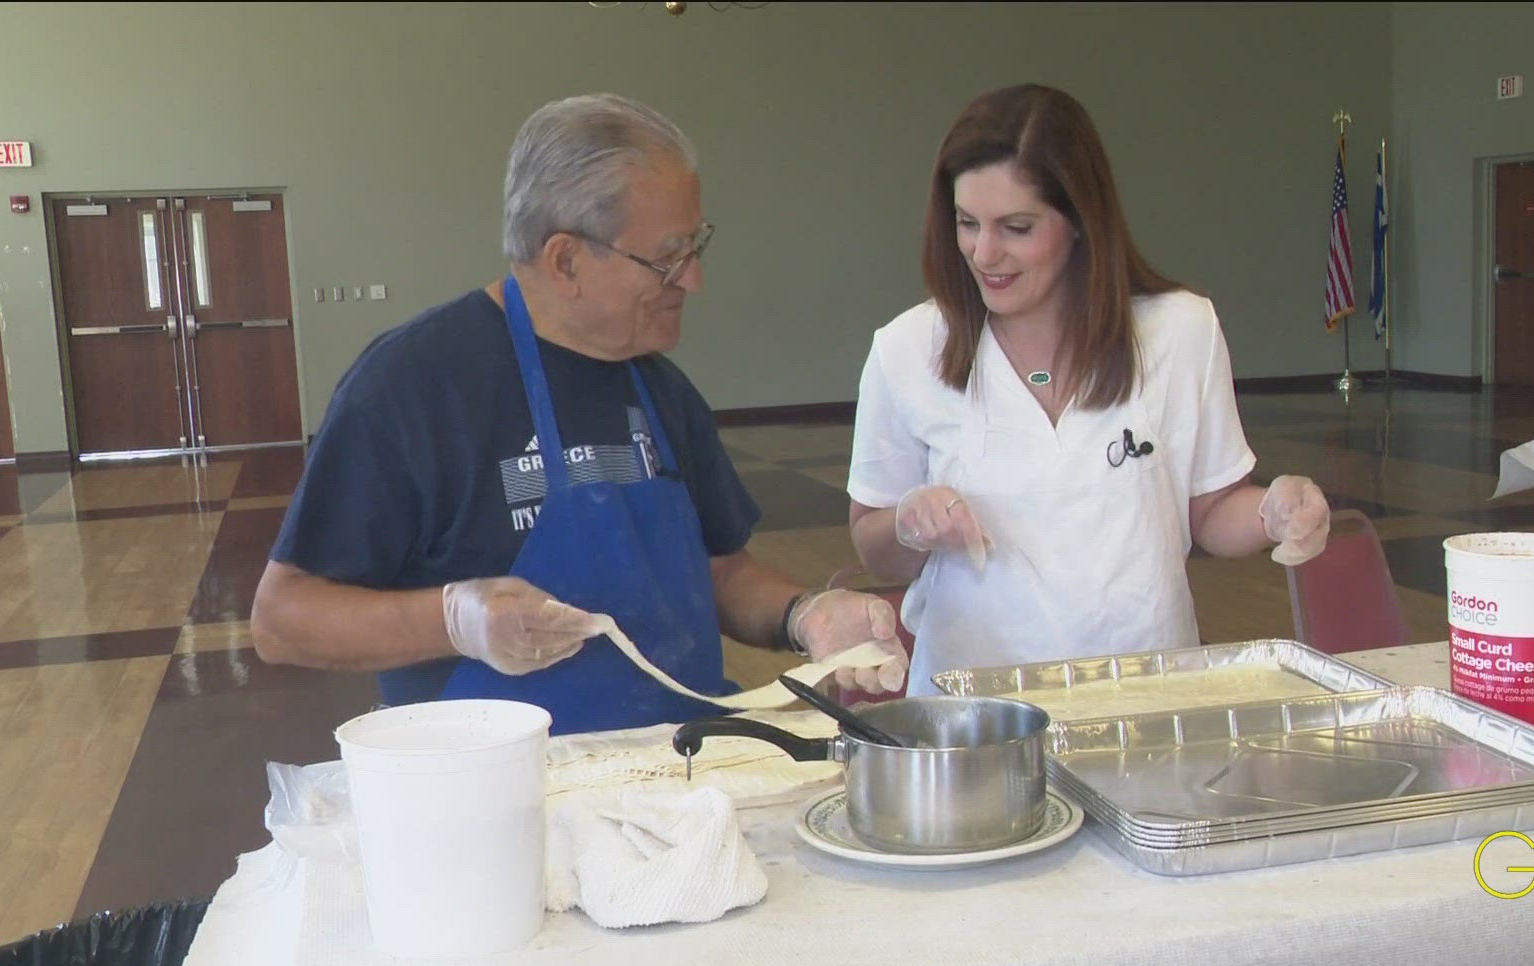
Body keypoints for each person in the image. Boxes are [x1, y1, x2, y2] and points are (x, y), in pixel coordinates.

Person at [251, 94, 905, 733]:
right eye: (669, 257)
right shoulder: (412, 386)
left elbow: (721, 570)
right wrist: (458, 620)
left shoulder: (660, 388)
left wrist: (807, 616)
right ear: (566, 260)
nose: (694, 279)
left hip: (675, 765)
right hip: (496, 785)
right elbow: (283, 619)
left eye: (696, 246)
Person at [847, 84, 1331, 695]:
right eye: (967, 224)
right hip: (974, 711)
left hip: (1147, 692)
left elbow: (1208, 510)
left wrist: (1276, 511)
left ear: (1079, 220)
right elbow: (874, 546)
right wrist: (908, 525)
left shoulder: (1180, 329)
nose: (984, 253)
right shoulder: (907, 348)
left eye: (1016, 227)